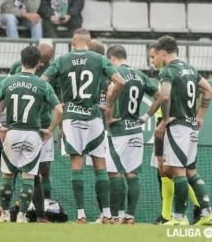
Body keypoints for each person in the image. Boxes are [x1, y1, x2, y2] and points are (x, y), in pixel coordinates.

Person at [42, 28, 125, 224]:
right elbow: (119, 81)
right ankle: (107, 214)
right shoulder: (98, 58)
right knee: (100, 166)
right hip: (94, 116)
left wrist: (55, 102)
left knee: (76, 167)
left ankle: (80, 215)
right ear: (89, 42)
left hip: (72, 117)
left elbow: (43, 82)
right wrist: (109, 104)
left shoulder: (63, 60)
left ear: (72, 42)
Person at [0, 45, 63, 223]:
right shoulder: (42, 84)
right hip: (32, 134)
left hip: (12, 132)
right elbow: (58, 109)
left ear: (21, 61)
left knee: (7, 175)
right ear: (38, 64)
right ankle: (22, 216)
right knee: (29, 176)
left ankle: (4, 214)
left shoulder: (9, 81)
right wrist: (50, 130)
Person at [151, 36, 212, 226]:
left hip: (177, 126)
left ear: (162, 53)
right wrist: (200, 116)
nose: (153, 61)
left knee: (178, 172)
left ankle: (178, 218)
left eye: (154, 56)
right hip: (191, 125)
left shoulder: (168, 71)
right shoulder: (190, 69)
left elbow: (166, 95)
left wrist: (165, 120)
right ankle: (207, 213)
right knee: (191, 172)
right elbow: (208, 90)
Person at [105, 45, 159, 225]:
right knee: (132, 174)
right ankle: (129, 216)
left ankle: (114, 216)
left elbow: (110, 94)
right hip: (136, 129)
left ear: (112, 58)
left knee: (114, 173)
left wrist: (108, 116)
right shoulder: (140, 75)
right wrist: (146, 116)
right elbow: (161, 96)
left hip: (119, 129)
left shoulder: (114, 73)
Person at [9, 42, 57, 220]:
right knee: (14, 169)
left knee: (43, 170)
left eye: (47, 61)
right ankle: (18, 207)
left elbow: (59, 102)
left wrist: (53, 127)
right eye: (41, 60)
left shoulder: (54, 70)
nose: (43, 64)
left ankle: (46, 206)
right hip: (20, 125)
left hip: (43, 125)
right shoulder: (17, 67)